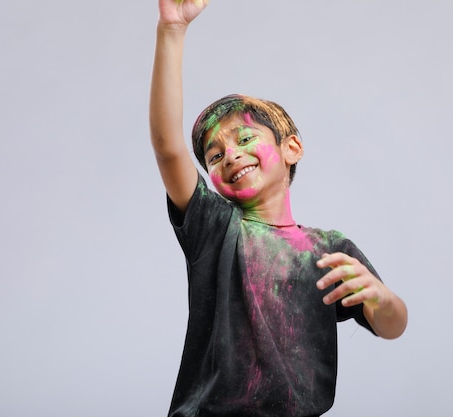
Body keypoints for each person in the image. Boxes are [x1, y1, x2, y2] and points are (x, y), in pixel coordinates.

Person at [149, 1, 408, 416]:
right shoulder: (214, 227)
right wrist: (171, 31)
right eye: (214, 156)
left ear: (292, 148)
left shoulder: (328, 250)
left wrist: (382, 298)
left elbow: (391, 326)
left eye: (245, 139)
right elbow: (166, 147)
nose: (230, 155)